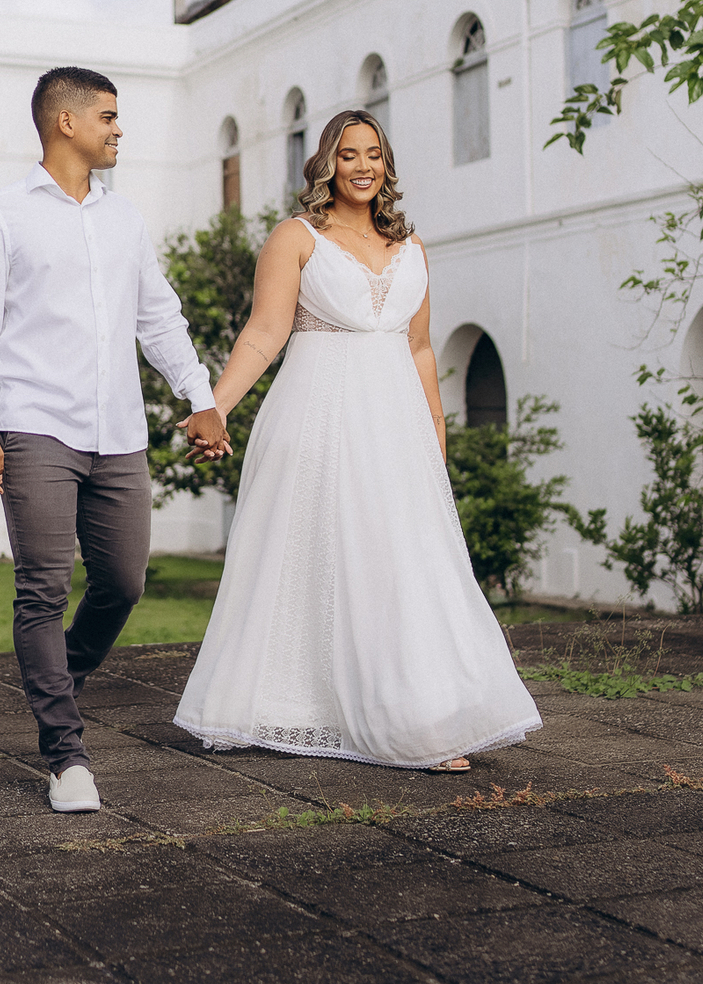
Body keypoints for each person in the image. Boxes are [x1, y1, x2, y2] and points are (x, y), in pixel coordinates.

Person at [175, 110, 541, 771]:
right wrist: (214, 405)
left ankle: (419, 713)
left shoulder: (413, 246)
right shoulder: (297, 238)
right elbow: (263, 333)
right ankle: (300, 709)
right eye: (349, 155)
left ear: (387, 164)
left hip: (397, 424)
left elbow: (423, 348)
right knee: (318, 560)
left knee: (403, 560)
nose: (363, 166)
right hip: (319, 414)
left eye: (374, 154)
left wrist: (436, 433)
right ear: (326, 163)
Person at [0, 66, 228, 813]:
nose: (118, 128)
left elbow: (159, 317)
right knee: (42, 586)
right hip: (34, 424)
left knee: (125, 580)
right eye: (107, 116)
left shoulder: (123, 218)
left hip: (119, 433)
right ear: (65, 122)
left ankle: (54, 680)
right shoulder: (0, 217)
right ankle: (66, 754)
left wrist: (200, 398)